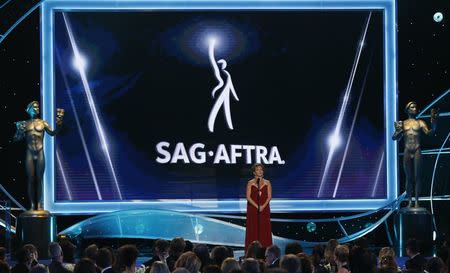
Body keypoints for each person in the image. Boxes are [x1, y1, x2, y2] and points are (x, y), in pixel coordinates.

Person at [13, 101, 64, 210]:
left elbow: (53, 133)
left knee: (39, 179)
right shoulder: (24, 124)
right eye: (34, 107)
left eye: (37, 107)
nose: (37, 108)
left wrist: (59, 124)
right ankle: (32, 205)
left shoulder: (43, 123)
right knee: (31, 179)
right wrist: (18, 130)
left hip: (40, 153)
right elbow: (16, 139)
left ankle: (39, 205)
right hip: (29, 154)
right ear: (29, 109)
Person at [392, 102, 438, 208]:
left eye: (415, 107)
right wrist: (398, 132)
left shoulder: (420, 123)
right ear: (407, 109)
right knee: (409, 178)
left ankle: (417, 201)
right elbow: (394, 138)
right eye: (412, 107)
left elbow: (429, 133)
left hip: (417, 150)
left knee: (417, 177)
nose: (414, 108)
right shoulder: (402, 123)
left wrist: (434, 124)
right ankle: (409, 201)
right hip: (407, 151)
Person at [245, 163, 273, 250]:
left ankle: (265, 249)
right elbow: (248, 197)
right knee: (253, 228)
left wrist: (263, 206)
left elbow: (269, 197)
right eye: (257, 170)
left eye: (261, 169)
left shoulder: (267, 183)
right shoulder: (250, 183)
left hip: (264, 209)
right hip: (253, 209)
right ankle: (252, 250)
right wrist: (257, 206)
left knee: (264, 229)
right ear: (254, 172)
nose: (260, 171)